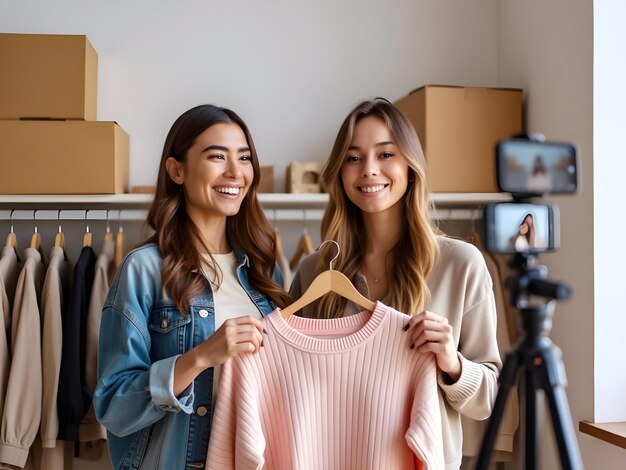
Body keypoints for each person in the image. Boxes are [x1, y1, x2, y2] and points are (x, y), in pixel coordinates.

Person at [289, 98, 501, 470]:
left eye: (385, 154)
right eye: (353, 158)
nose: (369, 170)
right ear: (340, 172)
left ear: (410, 165)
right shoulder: (313, 271)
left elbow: (489, 401)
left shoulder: (461, 264)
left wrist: (451, 363)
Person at [94, 104, 291, 469]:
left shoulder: (265, 271)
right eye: (217, 156)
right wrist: (199, 358)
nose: (235, 172)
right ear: (177, 170)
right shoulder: (144, 270)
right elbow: (113, 406)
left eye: (244, 158)